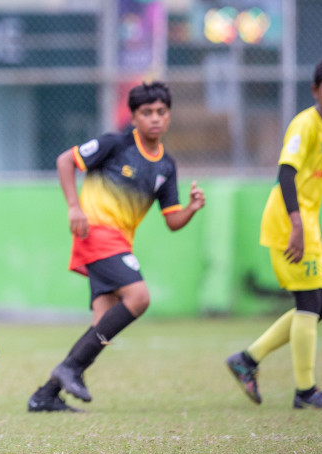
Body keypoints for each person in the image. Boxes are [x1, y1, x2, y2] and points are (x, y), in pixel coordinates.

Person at [27, 81, 205, 412]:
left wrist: (191, 209)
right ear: (134, 117)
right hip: (94, 233)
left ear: (169, 116)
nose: (155, 119)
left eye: (161, 112)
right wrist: (73, 206)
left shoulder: (166, 166)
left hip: (119, 243)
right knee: (139, 297)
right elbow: (65, 161)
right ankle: (68, 371)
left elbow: (172, 220)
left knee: (103, 324)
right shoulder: (115, 144)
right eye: (147, 112)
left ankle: (46, 395)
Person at [225, 57, 322, 410]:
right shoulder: (305, 125)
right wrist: (298, 227)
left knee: (321, 304)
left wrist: (314, 231)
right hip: (288, 221)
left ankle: (247, 360)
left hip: (304, 222)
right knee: (310, 303)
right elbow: (285, 175)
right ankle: (305, 391)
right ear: (315, 91)